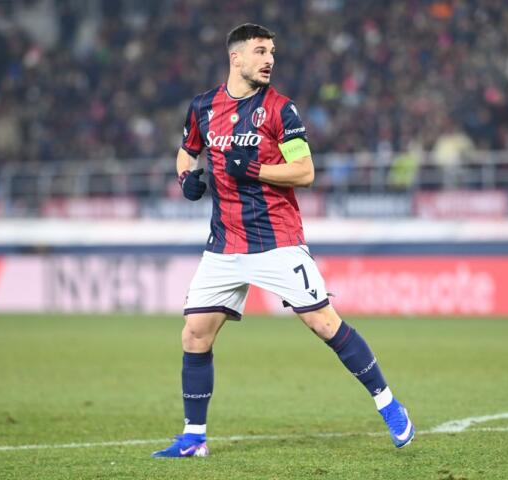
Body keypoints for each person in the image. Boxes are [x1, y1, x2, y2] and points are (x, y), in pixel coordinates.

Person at [151, 23, 414, 458]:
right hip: (224, 244)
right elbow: (187, 151)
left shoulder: (280, 110)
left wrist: (254, 169)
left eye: (271, 52)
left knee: (324, 323)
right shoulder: (202, 107)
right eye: (260, 51)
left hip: (277, 240)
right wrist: (186, 179)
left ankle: (389, 405)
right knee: (195, 334)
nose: (269, 59)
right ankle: (194, 438)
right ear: (236, 58)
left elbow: (305, 172)